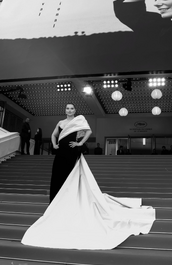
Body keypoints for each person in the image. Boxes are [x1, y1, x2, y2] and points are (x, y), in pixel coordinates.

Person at [21, 104, 155, 250]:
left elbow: (89, 131)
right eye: (67, 108)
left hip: (72, 152)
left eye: (72, 108)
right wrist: (54, 145)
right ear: (65, 110)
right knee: (57, 175)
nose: (70, 110)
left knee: (70, 176)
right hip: (60, 153)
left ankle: (69, 200)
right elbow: (53, 135)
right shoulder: (60, 123)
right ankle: (55, 202)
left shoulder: (79, 120)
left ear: (75, 111)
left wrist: (79, 143)